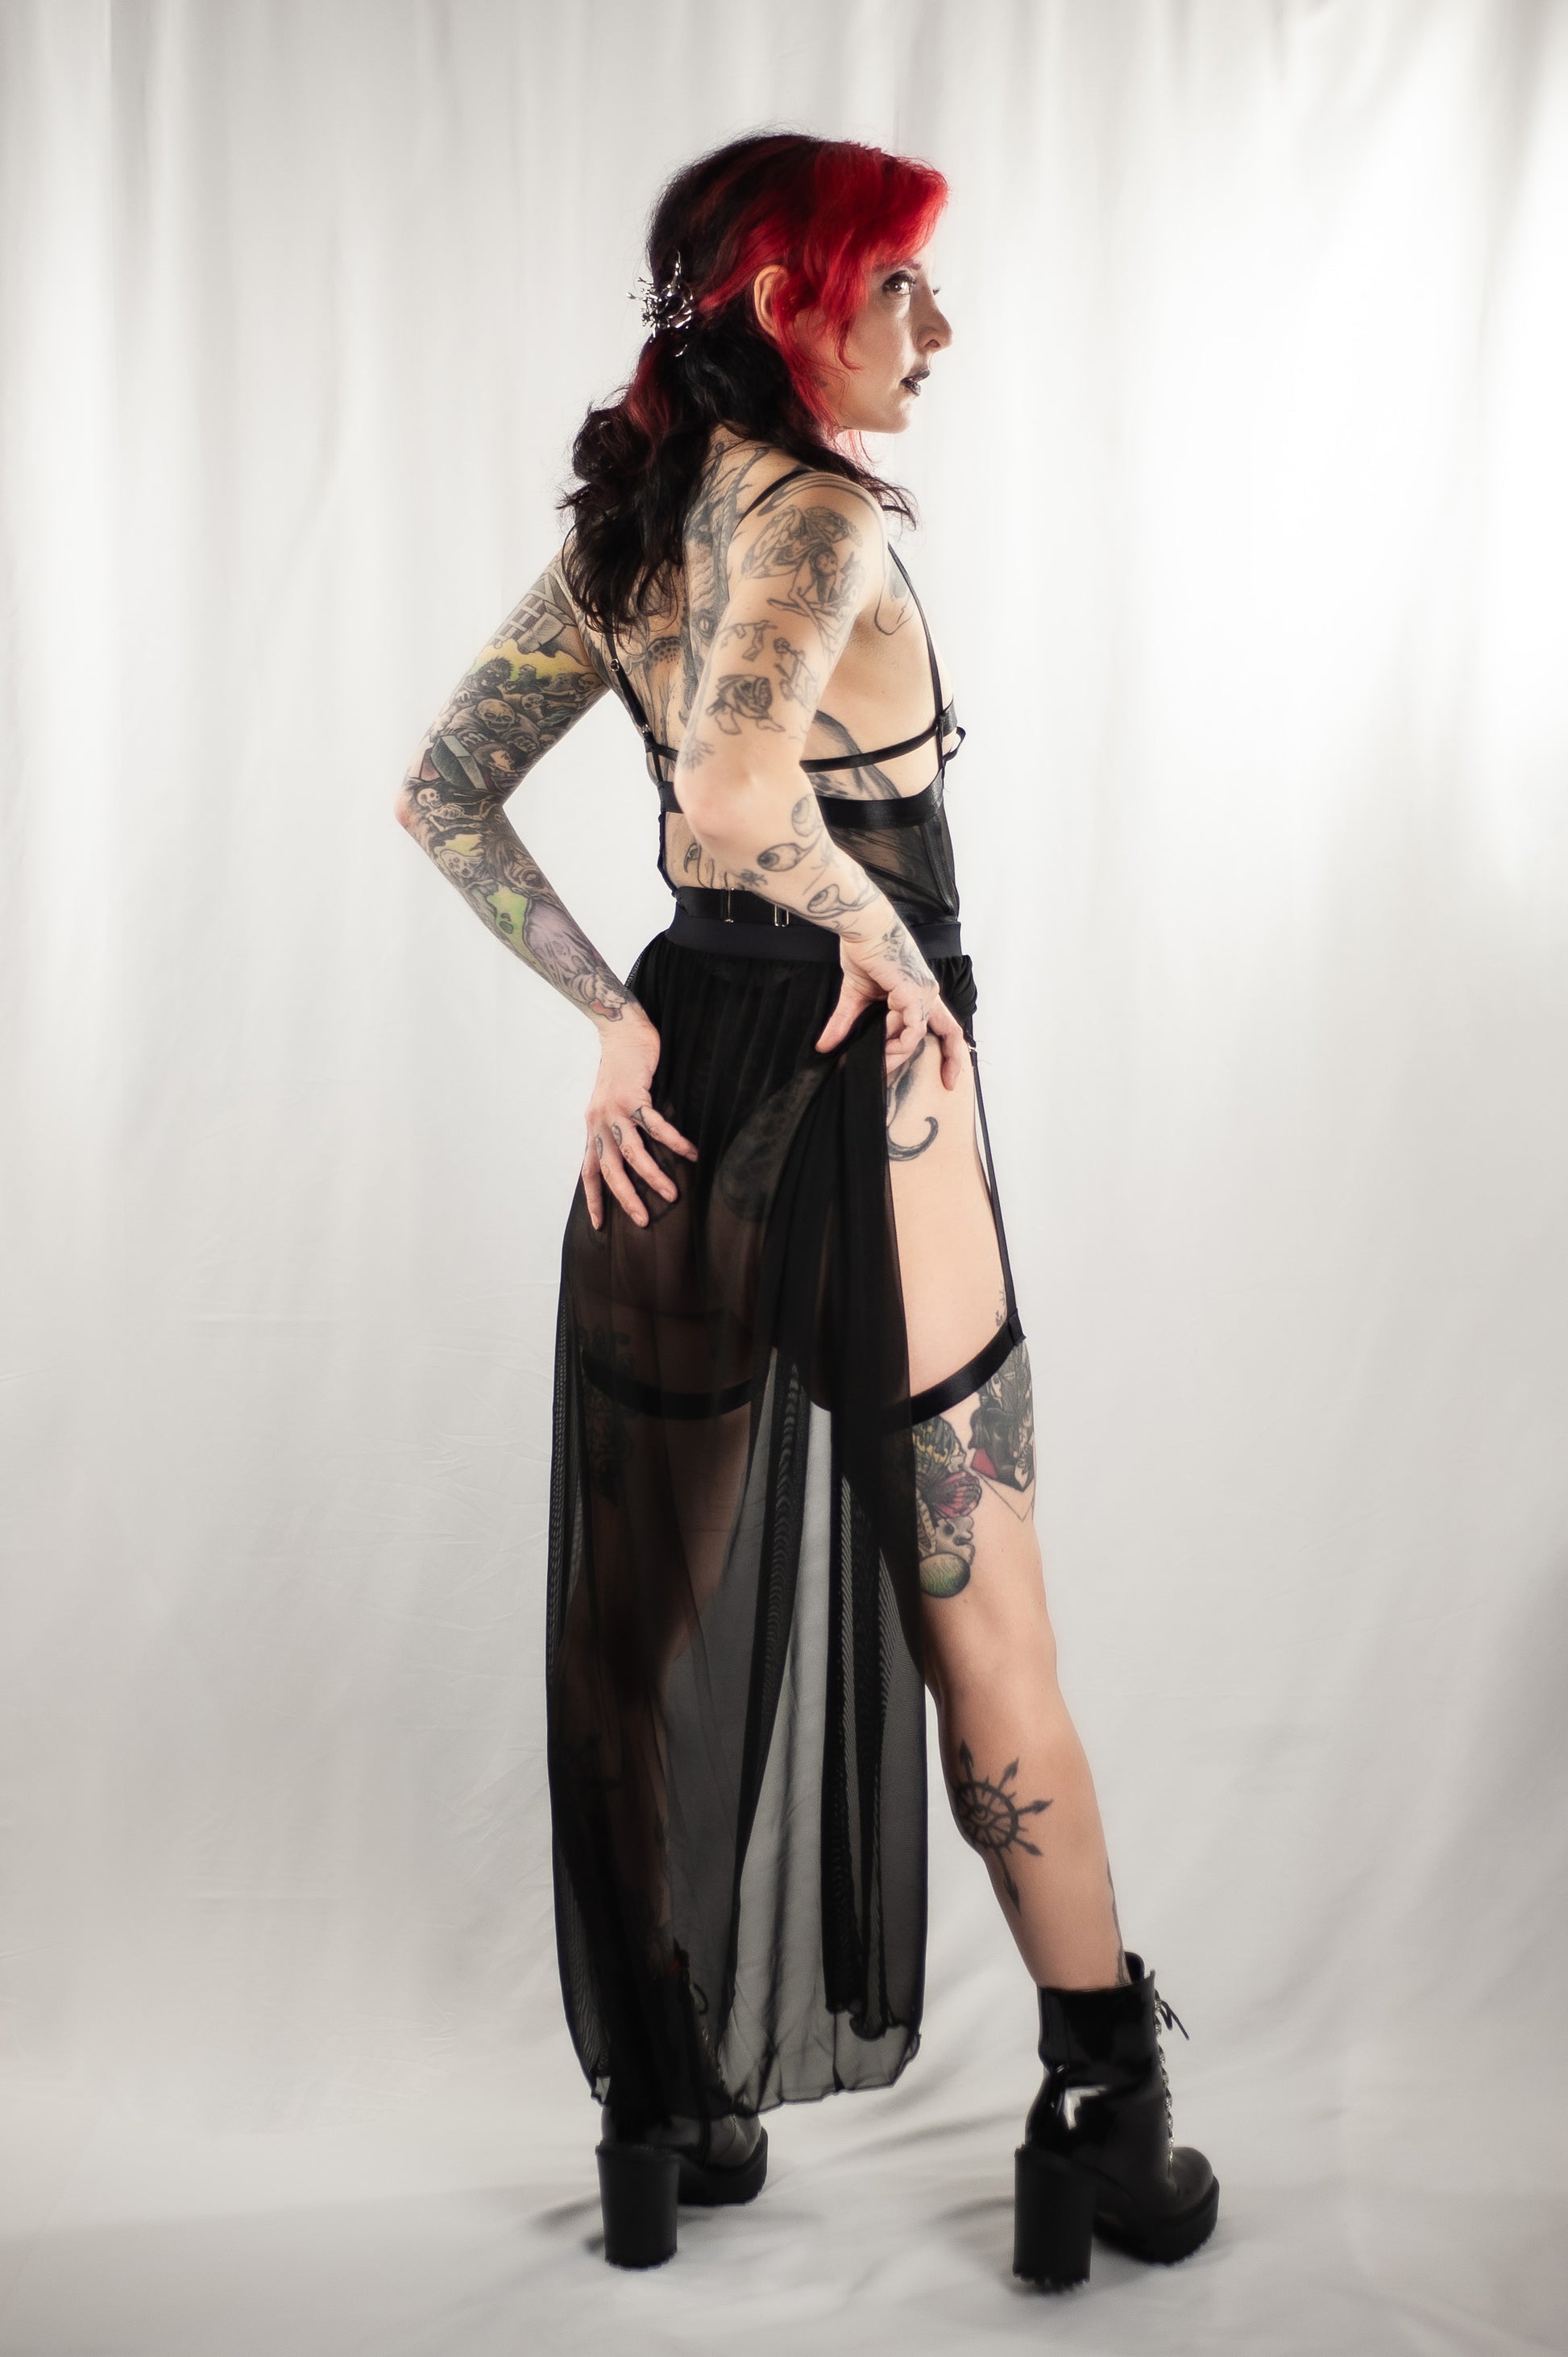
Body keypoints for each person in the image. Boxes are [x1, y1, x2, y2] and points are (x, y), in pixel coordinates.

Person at [395, 131, 1217, 2286]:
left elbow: (443, 789)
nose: (935, 328)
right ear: (786, 303)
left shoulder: (635, 531)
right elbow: (742, 794)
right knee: (985, 1616)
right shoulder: (818, 514)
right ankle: (1101, 2107)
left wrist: (614, 1016)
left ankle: (660, 2103)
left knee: (638, 1622)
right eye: (899, 287)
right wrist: (879, 936)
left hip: (679, 1095)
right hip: (868, 1103)